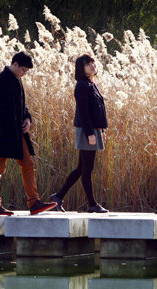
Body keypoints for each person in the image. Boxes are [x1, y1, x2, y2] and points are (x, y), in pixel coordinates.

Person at [0, 51, 57, 215]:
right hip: (4, 132)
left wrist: (27, 119)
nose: (24, 74)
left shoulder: (17, 80)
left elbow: (22, 104)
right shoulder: (0, 79)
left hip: (18, 131)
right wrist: (12, 128)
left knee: (28, 164)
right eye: (23, 70)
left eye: (26, 71)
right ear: (15, 64)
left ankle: (34, 203)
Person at [50, 54, 109, 213]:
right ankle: (91, 204)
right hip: (85, 130)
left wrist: (101, 130)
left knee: (82, 168)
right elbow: (83, 112)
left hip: (92, 130)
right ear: (80, 69)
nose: (92, 66)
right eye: (88, 64)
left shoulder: (91, 84)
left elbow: (97, 110)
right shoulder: (82, 85)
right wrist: (90, 133)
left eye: (93, 63)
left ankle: (58, 196)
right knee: (86, 169)